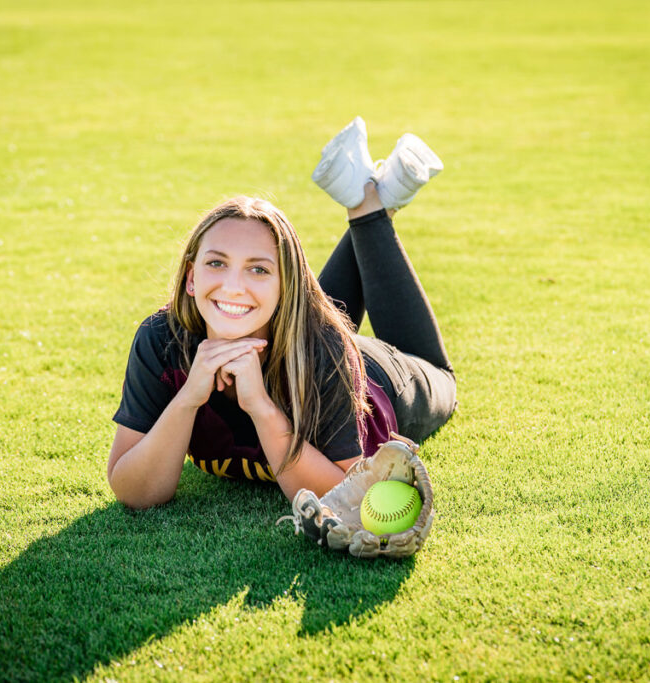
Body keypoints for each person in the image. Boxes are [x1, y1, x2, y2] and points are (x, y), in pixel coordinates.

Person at [107, 117, 456, 509]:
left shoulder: (326, 350)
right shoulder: (162, 339)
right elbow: (132, 490)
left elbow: (349, 495)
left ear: (288, 287)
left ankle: (369, 205)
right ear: (191, 278)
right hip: (294, 327)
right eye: (217, 263)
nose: (233, 285)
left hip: (381, 376)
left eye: (258, 269)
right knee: (292, 317)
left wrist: (260, 405)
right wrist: (189, 395)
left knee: (442, 377)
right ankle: (374, 198)